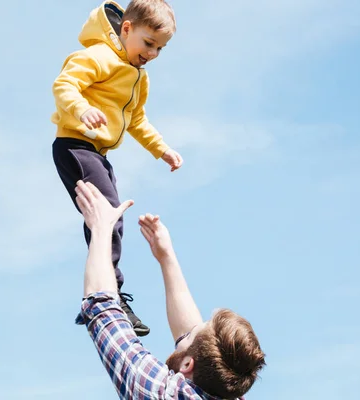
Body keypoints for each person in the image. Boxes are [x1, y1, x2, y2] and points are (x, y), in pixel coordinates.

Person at [51, 0, 183, 337]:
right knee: (108, 214)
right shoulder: (98, 56)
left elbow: (137, 121)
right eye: (148, 43)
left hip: (98, 153)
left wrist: (162, 149)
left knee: (109, 217)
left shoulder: (139, 78)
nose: (152, 54)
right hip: (75, 145)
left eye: (160, 48)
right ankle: (108, 293)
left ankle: (105, 288)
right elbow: (64, 85)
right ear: (126, 29)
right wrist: (81, 110)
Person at [74, 180, 266, 399]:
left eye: (196, 330)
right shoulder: (229, 386)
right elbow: (193, 340)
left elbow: (102, 307)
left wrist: (100, 228)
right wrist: (166, 257)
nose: (192, 326)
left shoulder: (159, 393)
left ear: (187, 364)